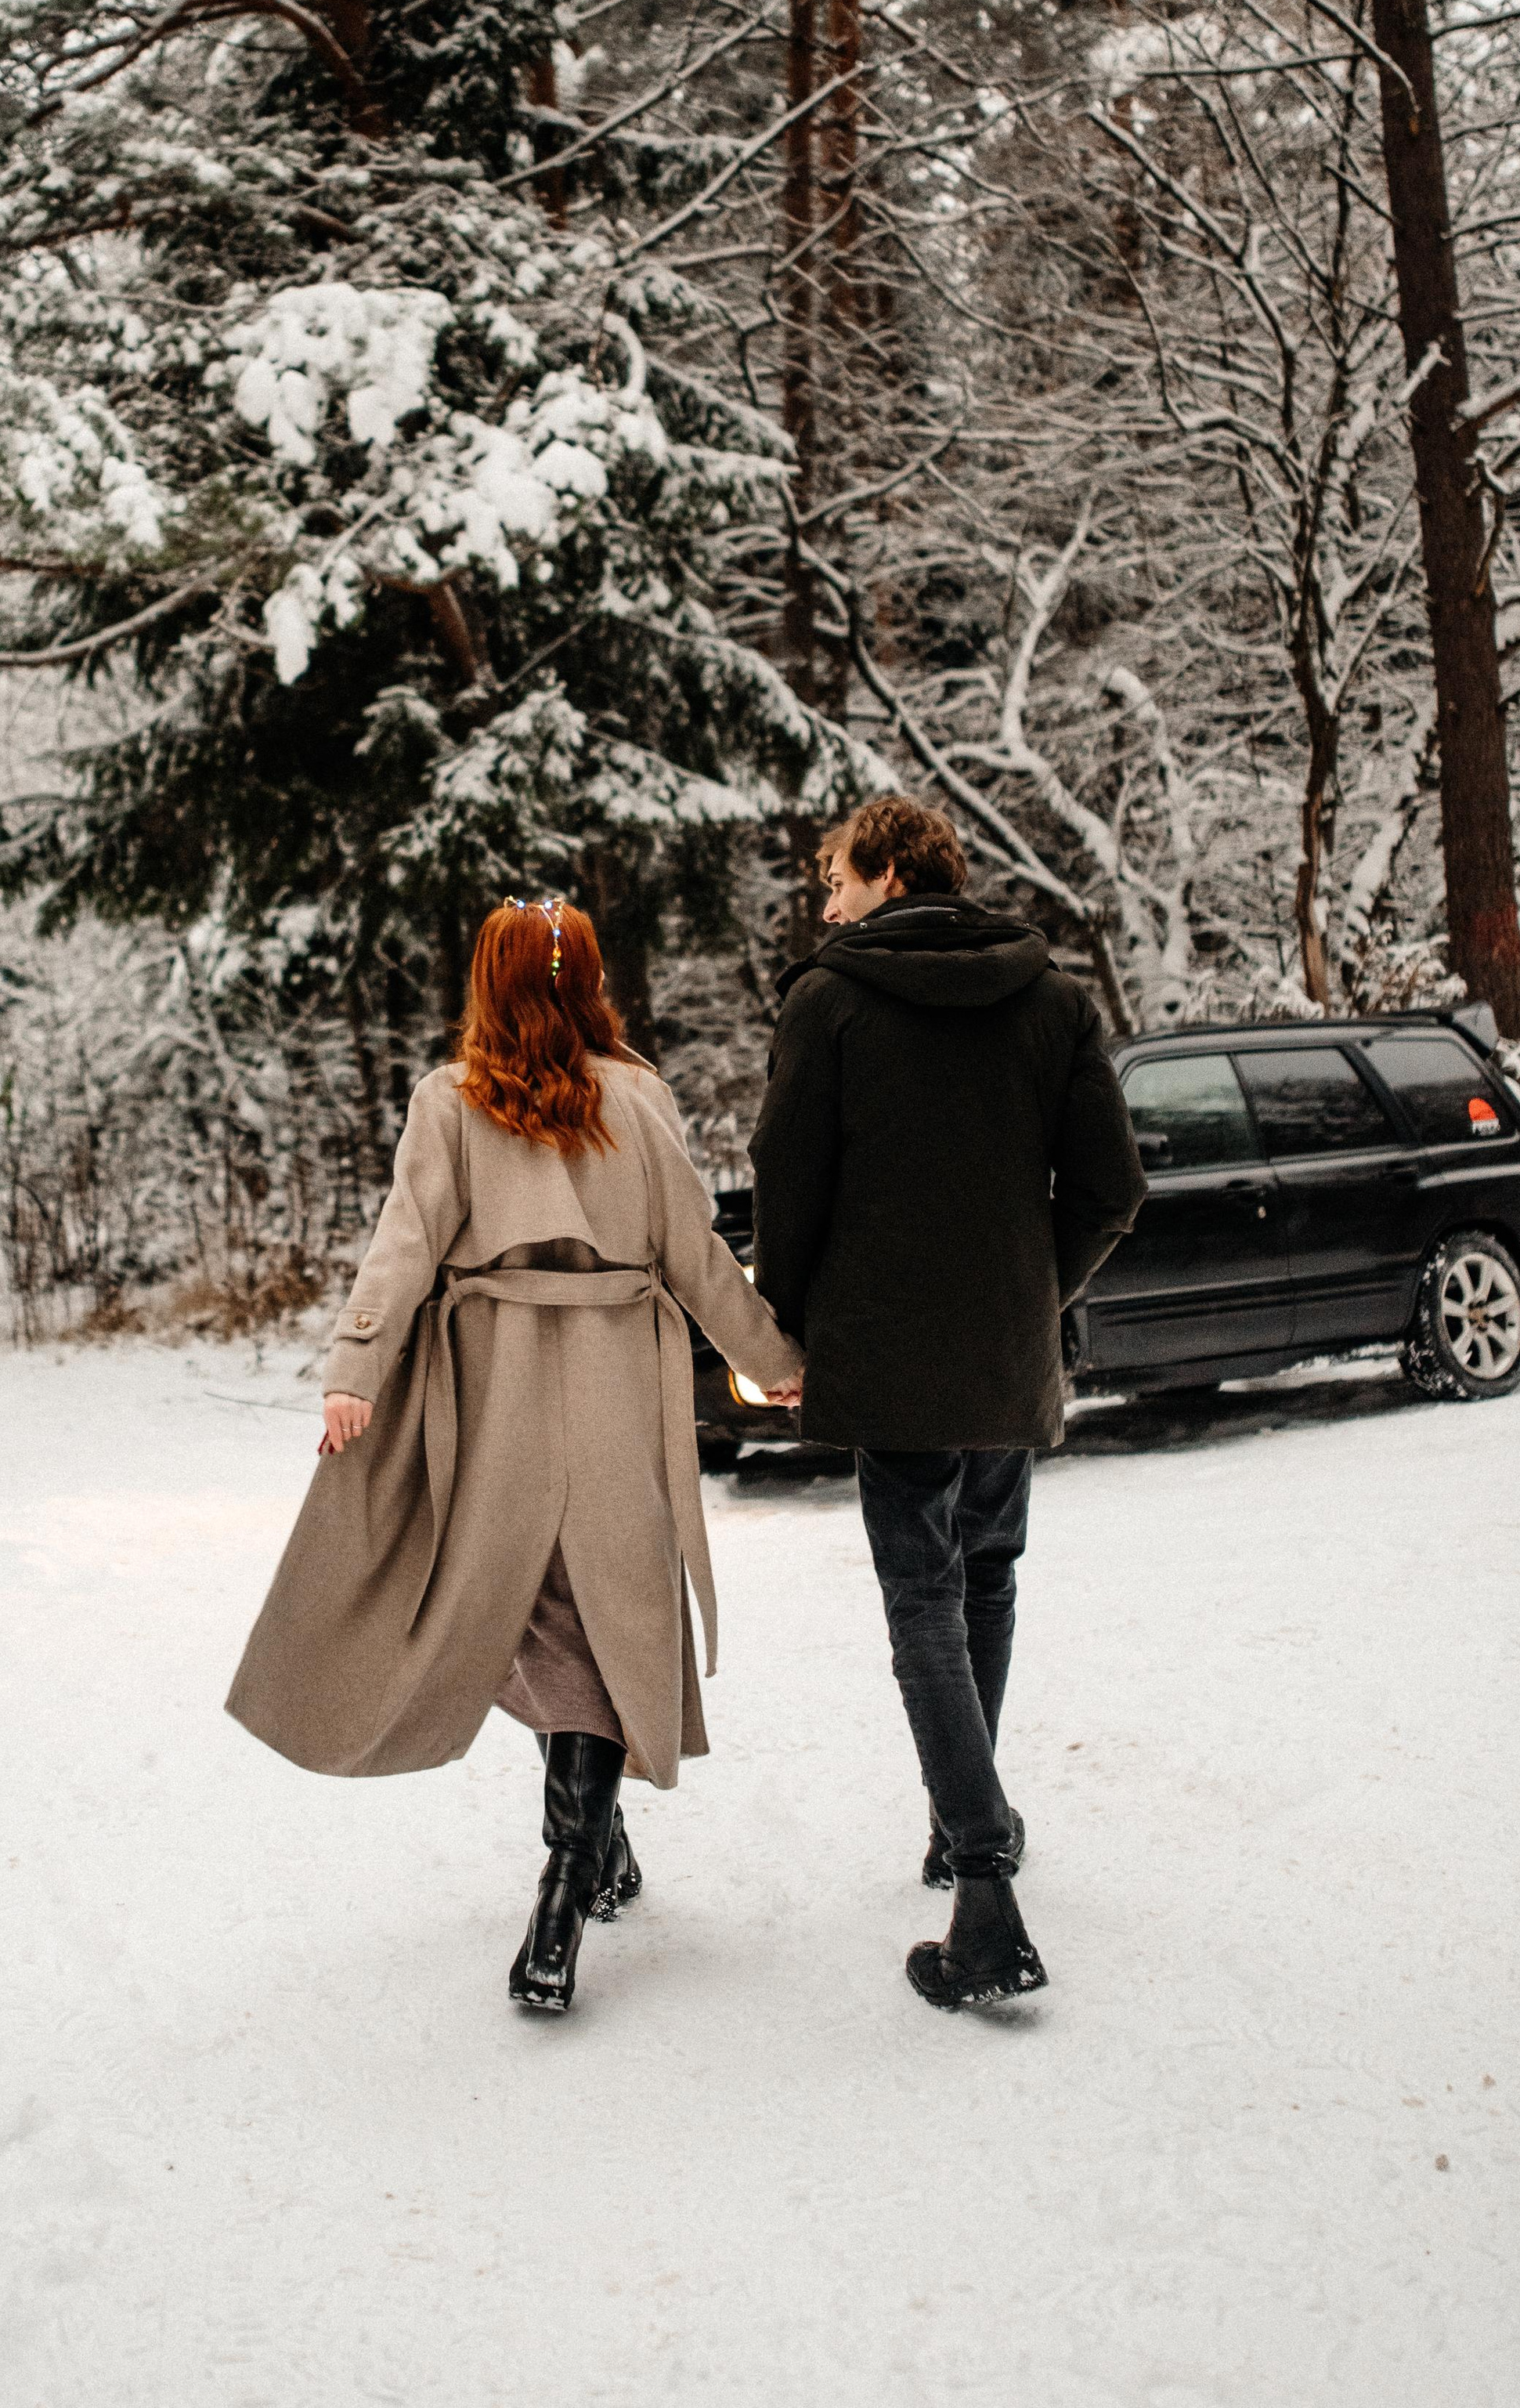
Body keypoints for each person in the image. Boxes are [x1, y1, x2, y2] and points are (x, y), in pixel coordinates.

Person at [227, 897, 803, 2015]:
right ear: (589, 981)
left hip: (493, 1402)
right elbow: (696, 1253)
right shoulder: (638, 1098)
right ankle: (582, 1866)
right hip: (614, 1400)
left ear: (486, 984)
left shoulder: (448, 1102)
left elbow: (404, 1245)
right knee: (599, 1620)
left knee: (530, 1616)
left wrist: (356, 1369)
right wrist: (769, 1354)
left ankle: (567, 1878)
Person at [749, 796, 1144, 2009]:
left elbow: (787, 1177)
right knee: (987, 1575)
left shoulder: (830, 1002)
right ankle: (961, 1819)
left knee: (923, 1594)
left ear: (892, 872)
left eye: (839, 877)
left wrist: (787, 1319)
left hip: (888, 1354)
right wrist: (1038, 1289)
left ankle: (982, 1882)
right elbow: (1113, 1185)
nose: (826, 902)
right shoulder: (1055, 996)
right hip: (1001, 1359)